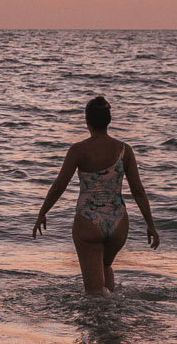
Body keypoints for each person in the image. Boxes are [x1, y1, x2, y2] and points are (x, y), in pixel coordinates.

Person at [31, 96, 158, 294]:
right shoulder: (125, 150)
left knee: (94, 294)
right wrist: (151, 225)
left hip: (88, 221)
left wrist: (42, 213)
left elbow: (59, 185)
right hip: (118, 222)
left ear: (87, 120)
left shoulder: (79, 150)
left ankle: (104, 317)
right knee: (105, 267)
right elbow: (138, 191)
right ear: (109, 120)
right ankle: (114, 316)